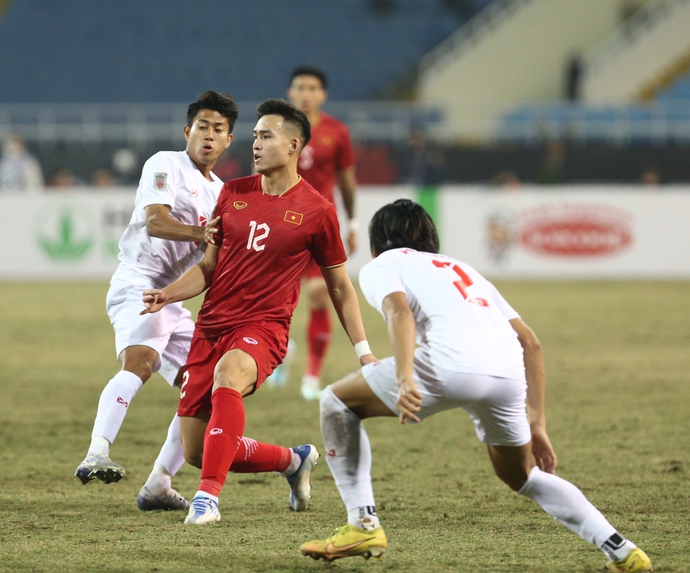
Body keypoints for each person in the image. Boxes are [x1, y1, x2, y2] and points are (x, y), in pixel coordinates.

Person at [299, 199, 652, 573]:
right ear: (431, 238)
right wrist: (537, 424)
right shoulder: (462, 268)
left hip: (448, 364)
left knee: (336, 402)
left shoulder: (383, 263)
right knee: (523, 477)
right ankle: (623, 550)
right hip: (507, 374)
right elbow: (530, 342)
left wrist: (405, 379)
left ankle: (363, 524)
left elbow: (398, 312)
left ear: (376, 244)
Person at [141, 99, 377, 525]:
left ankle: (207, 500)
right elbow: (209, 268)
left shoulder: (317, 210)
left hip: (262, 329)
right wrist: (169, 294)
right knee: (197, 450)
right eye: (254, 136)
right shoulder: (232, 193)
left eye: (265, 136)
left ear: (292, 146)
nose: (255, 143)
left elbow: (340, 285)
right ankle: (293, 460)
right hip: (211, 327)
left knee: (228, 375)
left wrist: (363, 351)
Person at [74, 91, 239, 512]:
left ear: (229, 141)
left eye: (217, 129)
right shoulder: (164, 164)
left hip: (172, 298)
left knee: (200, 391)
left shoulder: (223, 193)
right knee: (142, 362)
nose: (208, 135)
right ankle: (97, 451)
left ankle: (159, 484)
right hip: (138, 282)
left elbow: (212, 262)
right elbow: (156, 221)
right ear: (188, 131)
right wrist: (201, 234)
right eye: (202, 126)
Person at [269, 66, 359, 401]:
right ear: (290, 92)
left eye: (312, 88)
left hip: (321, 224)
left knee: (320, 294)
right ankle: (280, 352)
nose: (305, 93)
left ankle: (312, 374)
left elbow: (347, 180)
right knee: (276, 300)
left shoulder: (337, 131)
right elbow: (259, 171)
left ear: (323, 94)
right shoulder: (274, 128)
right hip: (282, 225)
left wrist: (353, 223)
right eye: (299, 87)